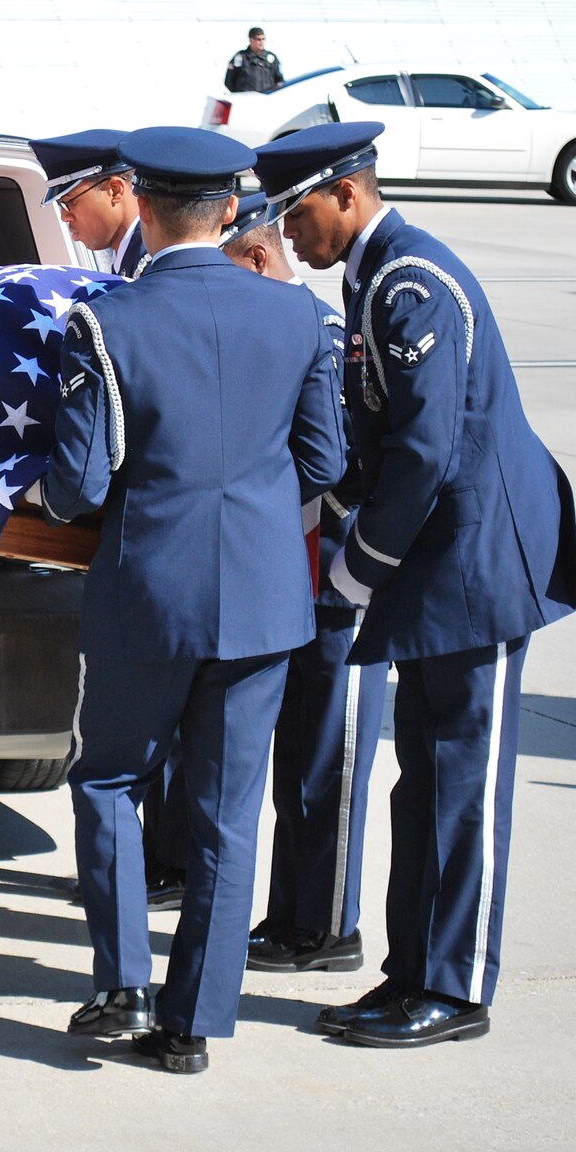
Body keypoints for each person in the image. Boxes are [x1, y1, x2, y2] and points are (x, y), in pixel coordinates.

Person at [268, 121, 576, 1048]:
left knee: (459, 781)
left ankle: (453, 988)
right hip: (436, 562)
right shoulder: (379, 274)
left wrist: (355, 567)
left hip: (472, 565)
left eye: (297, 213)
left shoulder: (411, 282)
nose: (288, 235)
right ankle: (412, 973)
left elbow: (424, 451)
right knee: (425, 781)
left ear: (347, 195)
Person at [43, 127, 346, 1073]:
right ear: (228, 212)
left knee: (106, 782)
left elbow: (79, 487)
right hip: (261, 597)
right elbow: (328, 462)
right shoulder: (296, 318)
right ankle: (193, 1025)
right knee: (226, 813)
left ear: (141, 201)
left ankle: (122, 981)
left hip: (149, 593)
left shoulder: (106, 320)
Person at [220, 191, 390, 976]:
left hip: (336, 573)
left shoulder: (320, 330)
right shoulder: (283, 324)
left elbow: (342, 462)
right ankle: (289, 912)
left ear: (258, 260)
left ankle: (326, 926)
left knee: (332, 758)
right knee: (297, 760)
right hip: (289, 574)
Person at [30, 128, 185, 911]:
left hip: (160, 538)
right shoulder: (122, 272)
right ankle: (160, 860)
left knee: (153, 731)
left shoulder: (150, 276)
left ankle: (165, 864)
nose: (65, 221)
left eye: (72, 200)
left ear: (121, 192)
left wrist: (56, 492)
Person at [29, 130, 151, 279]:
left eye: (70, 202)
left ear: (114, 190)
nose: (64, 217)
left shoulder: (154, 264)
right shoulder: (130, 258)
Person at [224, 27, 284, 94]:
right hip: (246, 99)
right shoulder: (240, 57)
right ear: (251, 40)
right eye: (258, 39)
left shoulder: (271, 58)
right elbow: (229, 81)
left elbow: (279, 81)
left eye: (263, 39)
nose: (261, 42)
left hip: (266, 99)